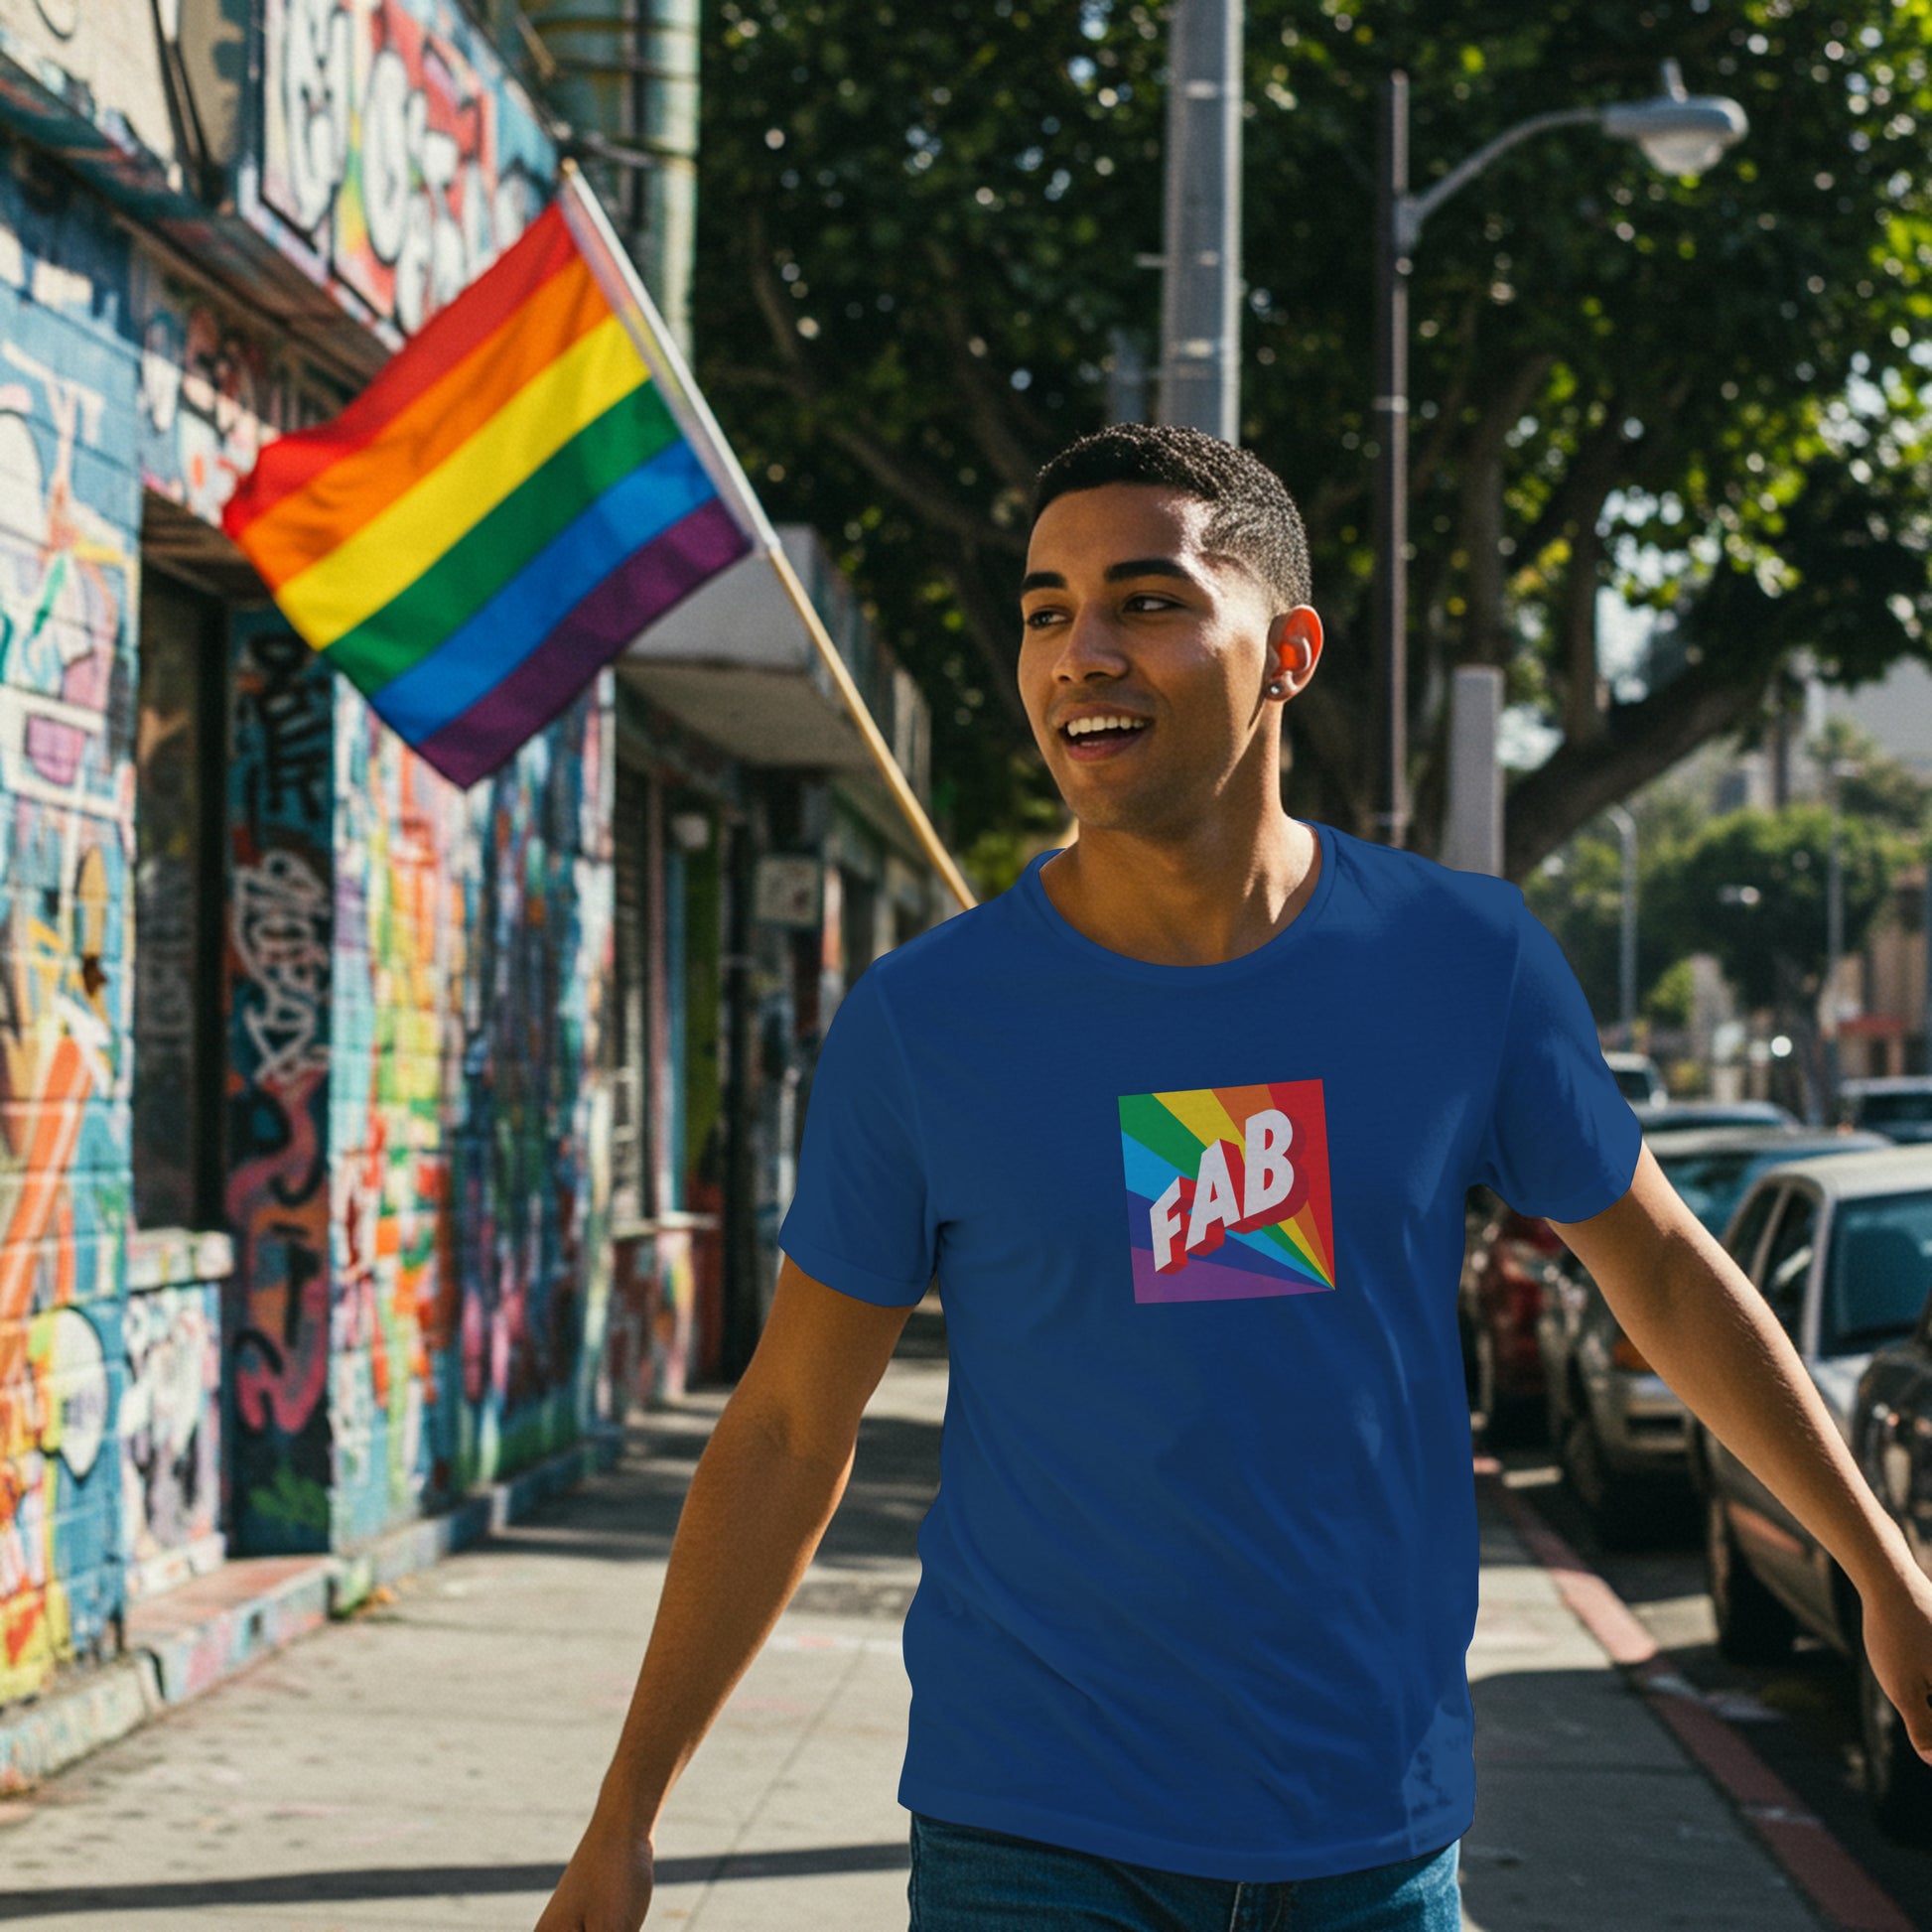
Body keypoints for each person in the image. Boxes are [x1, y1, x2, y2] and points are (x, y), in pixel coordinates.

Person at [535, 425, 1932, 1932]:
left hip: (1370, 1842)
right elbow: (789, 1427)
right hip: (1030, 1835)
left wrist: (1881, 1570)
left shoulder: (1462, 961)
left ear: (1288, 652)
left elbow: (1657, 1269)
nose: (1081, 652)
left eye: (1146, 601)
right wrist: (626, 1815)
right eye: (1044, 610)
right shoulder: (923, 1024)